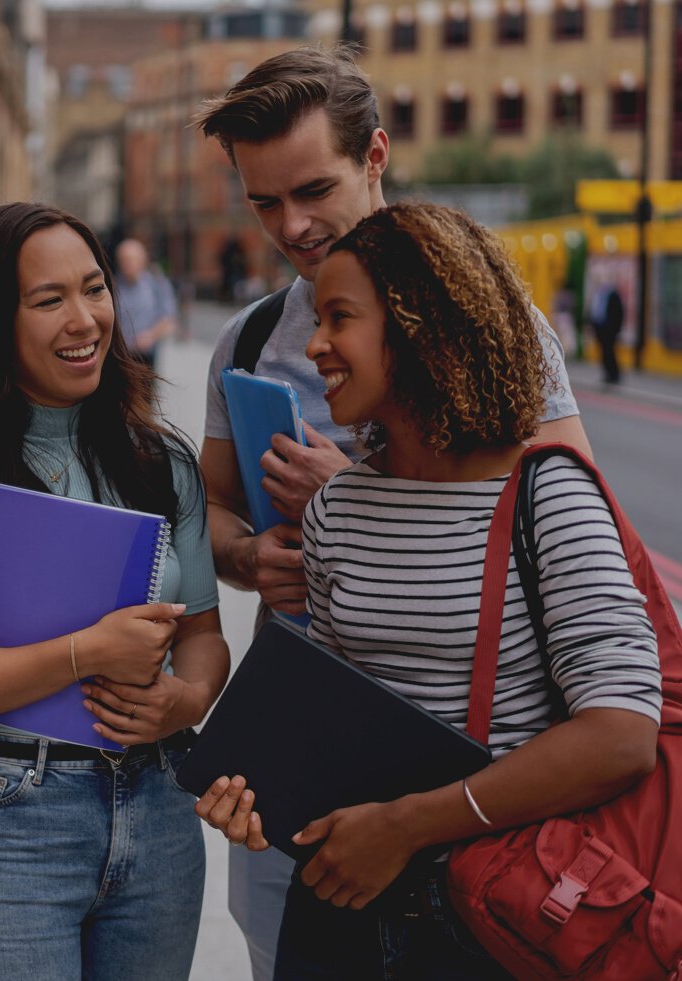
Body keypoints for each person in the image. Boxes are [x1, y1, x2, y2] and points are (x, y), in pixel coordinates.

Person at [190, 44, 593, 977]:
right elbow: (203, 516)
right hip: (305, 739)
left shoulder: (495, 323)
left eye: (313, 190)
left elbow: (561, 504)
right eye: (262, 202)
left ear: (376, 156)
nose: (291, 225)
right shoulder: (248, 339)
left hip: (475, 759)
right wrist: (251, 558)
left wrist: (357, 500)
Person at [0, 203, 230, 981]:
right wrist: (84, 652)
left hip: (159, 804)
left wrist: (185, 700)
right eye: (49, 300)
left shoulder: (161, 465)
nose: (85, 319)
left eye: (95, 289)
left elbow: (203, 633)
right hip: (9, 815)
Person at [113, 237, 178, 368]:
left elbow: (169, 320)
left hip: (146, 357)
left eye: (131, 259)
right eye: (123, 260)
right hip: (120, 356)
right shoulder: (112, 286)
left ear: (143, 260)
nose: (127, 264)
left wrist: (150, 336)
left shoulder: (157, 284)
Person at [588, 271, 624, 384]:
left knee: (610, 352)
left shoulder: (613, 294)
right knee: (603, 352)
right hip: (600, 328)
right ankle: (607, 373)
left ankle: (614, 374)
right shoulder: (598, 294)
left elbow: (619, 313)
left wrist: (616, 329)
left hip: (610, 329)